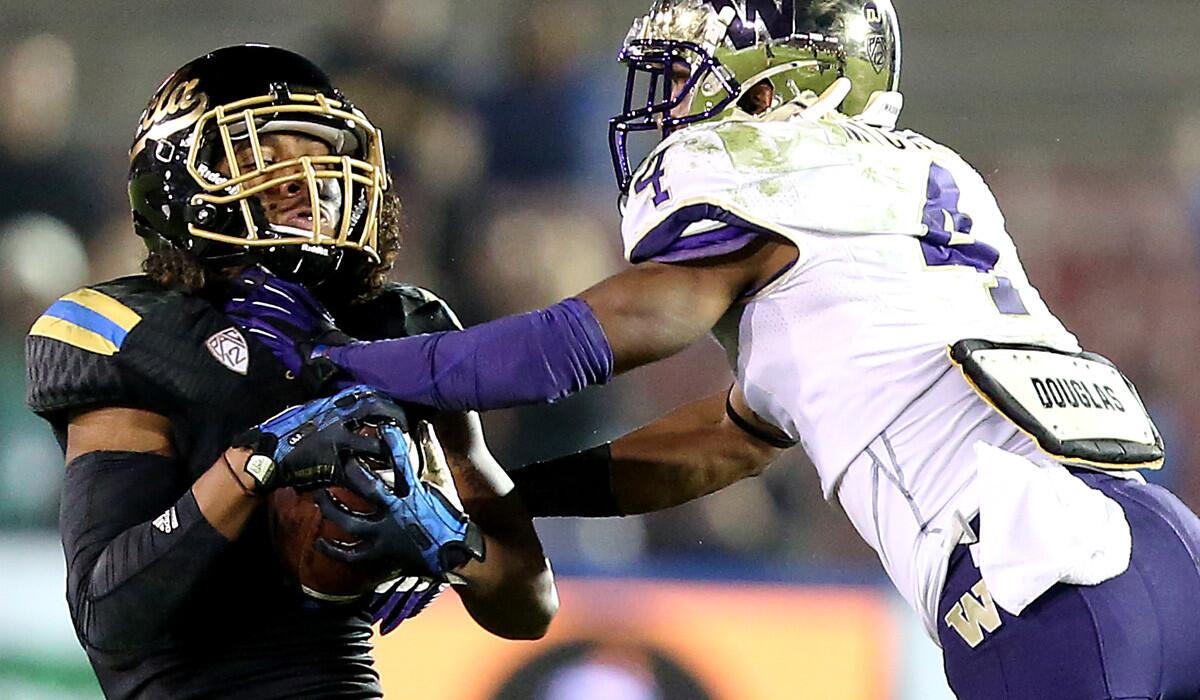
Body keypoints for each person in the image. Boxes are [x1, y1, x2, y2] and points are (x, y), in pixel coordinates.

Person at [232, 3, 1200, 698]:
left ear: (782, 88)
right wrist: (515, 496)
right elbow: (721, 441)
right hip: (1158, 548)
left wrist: (344, 358)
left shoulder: (781, 171)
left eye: (697, 77)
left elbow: (605, 334)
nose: (675, 106)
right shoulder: (912, 183)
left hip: (1032, 579)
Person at [25, 44, 556, 700]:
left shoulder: (399, 325)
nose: (305, 181)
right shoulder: (132, 329)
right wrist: (259, 459)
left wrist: (448, 539)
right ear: (182, 182)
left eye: (321, 159)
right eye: (263, 158)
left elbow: (532, 602)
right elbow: (112, 618)